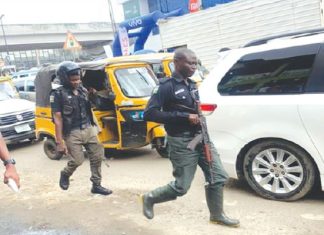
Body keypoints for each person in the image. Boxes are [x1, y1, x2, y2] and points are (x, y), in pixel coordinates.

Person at [142, 48, 239, 227]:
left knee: (217, 177)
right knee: (181, 186)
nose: (194, 66)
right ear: (177, 62)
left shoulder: (192, 84)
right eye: (190, 63)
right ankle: (150, 198)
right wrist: (183, 116)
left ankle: (217, 215)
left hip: (201, 137)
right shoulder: (165, 86)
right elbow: (149, 113)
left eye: (196, 63)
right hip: (182, 142)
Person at [50, 61, 112, 196]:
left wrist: (94, 95)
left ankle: (96, 185)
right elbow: (58, 119)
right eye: (73, 80)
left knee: (97, 156)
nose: (76, 82)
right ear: (65, 79)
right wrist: (59, 142)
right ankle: (65, 173)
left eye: (78, 79)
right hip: (72, 132)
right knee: (78, 160)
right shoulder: (57, 94)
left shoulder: (83, 90)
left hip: (88, 128)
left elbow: (93, 106)